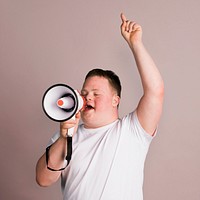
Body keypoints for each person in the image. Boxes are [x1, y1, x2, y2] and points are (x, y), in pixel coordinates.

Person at [36, 13, 164, 200]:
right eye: (85, 93)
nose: (88, 98)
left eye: (96, 94)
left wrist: (136, 43)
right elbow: (43, 179)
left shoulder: (132, 130)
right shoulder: (64, 137)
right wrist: (65, 138)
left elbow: (155, 91)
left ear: (115, 100)